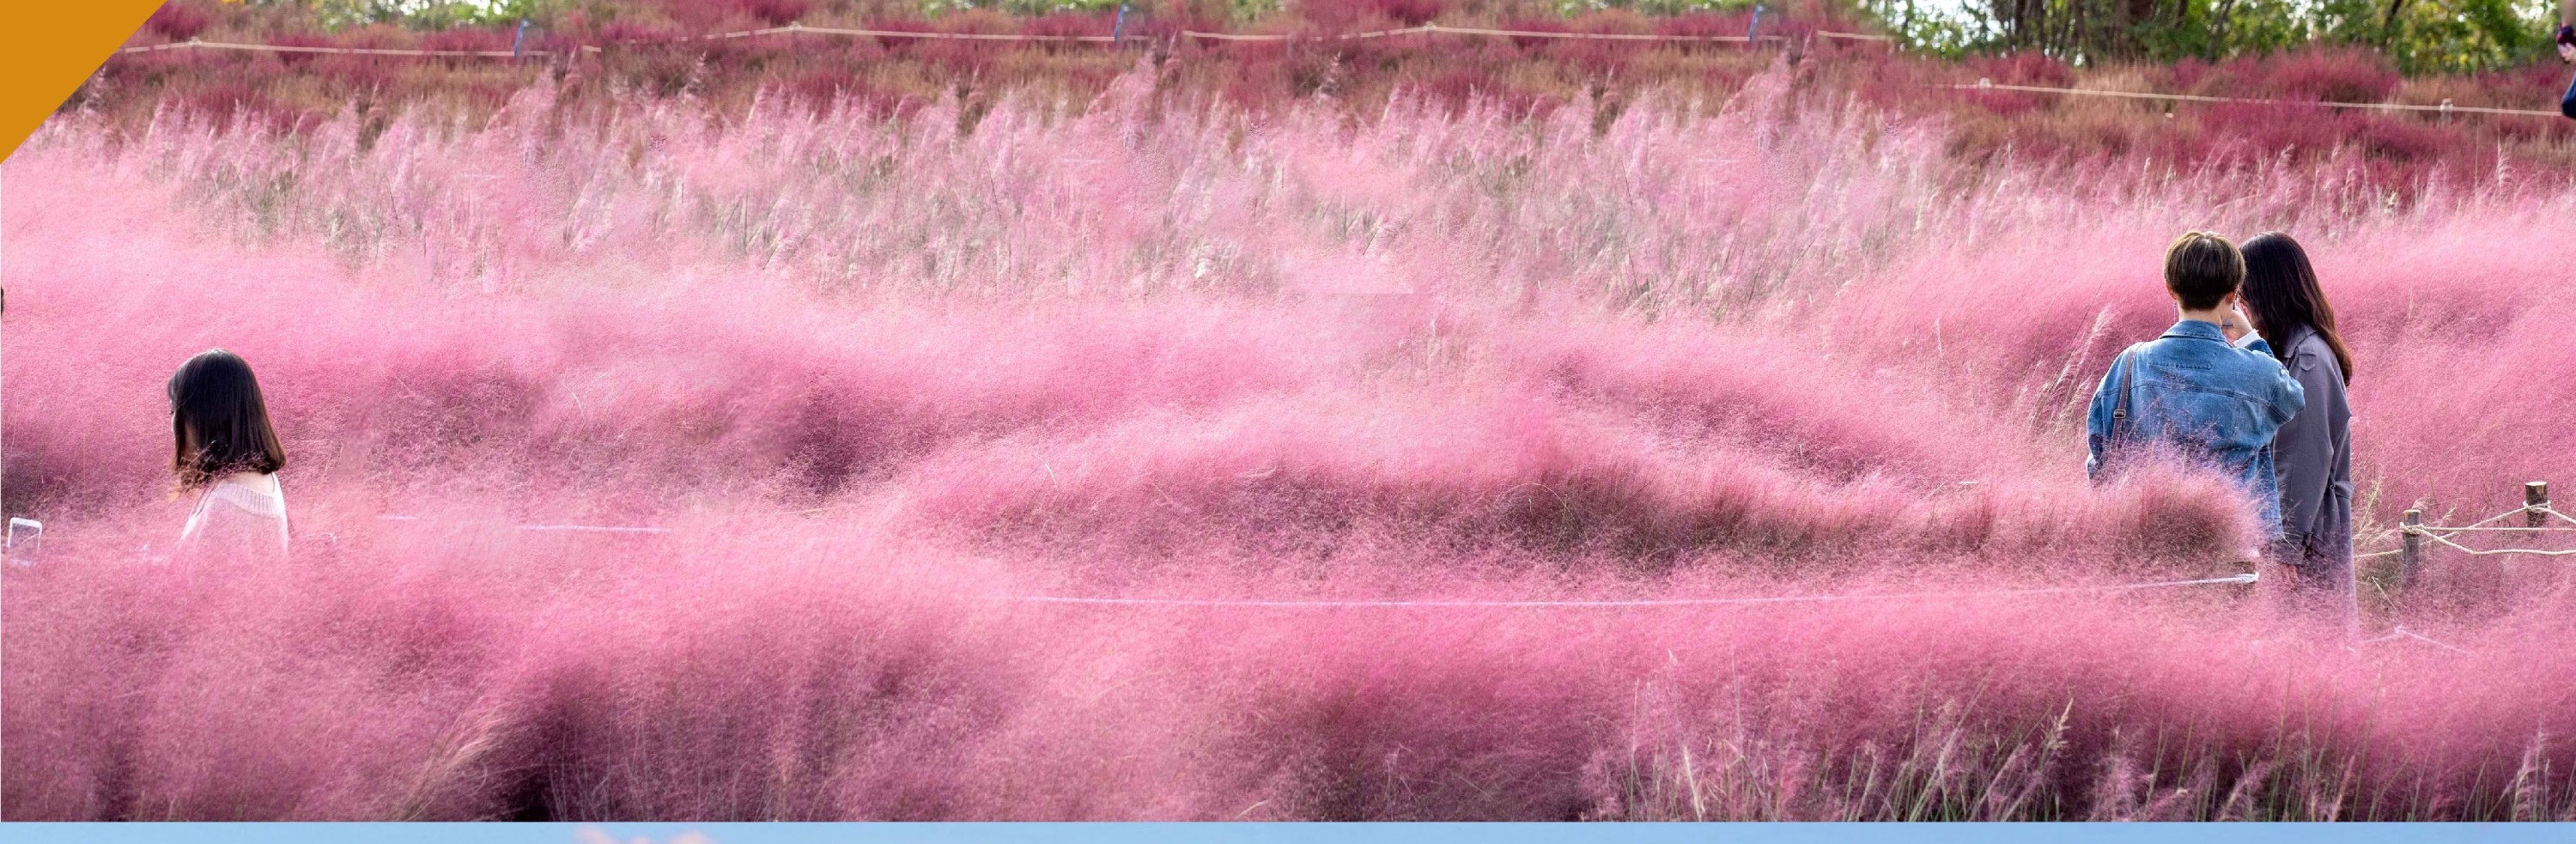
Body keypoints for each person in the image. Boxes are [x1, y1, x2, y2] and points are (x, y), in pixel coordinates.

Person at [2087, 232, 2306, 554]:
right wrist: (2250, 338)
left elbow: (2099, 454)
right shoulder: (2258, 370)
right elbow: (2293, 398)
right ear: (2233, 295)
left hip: (2145, 546)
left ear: (2170, 289)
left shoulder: (2129, 363)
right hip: (2232, 550)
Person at [2239, 233, 2357, 637]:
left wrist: (2287, 546)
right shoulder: (2294, 349)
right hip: (2306, 533)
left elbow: (2303, 457)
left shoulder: (2307, 358)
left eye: (2244, 294)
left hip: (2307, 540)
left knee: (2308, 650)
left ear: (2267, 291)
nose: (2241, 306)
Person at [169, 349, 291, 564]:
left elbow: (199, 592)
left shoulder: (225, 506)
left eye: (173, 412)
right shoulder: (266, 480)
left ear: (201, 417)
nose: (172, 425)